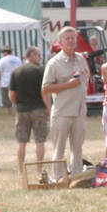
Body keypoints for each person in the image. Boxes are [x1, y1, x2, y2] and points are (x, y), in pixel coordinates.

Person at [41, 27, 88, 179]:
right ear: (60, 42)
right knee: (59, 148)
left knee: (77, 148)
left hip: (79, 111)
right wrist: (67, 85)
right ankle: (59, 178)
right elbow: (46, 88)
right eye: (67, 38)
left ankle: (76, 177)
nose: (70, 41)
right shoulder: (54, 63)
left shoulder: (81, 59)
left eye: (72, 38)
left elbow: (85, 79)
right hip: (62, 111)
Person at [9, 46, 48, 182]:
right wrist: (48, 108)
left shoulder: (16, 72)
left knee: (21, 141)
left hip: (21, 110)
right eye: (38, 55)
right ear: (31, 55)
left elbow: (12, 94)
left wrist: (18, 104)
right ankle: (39, 169)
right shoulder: (40, 71)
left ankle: (21, 171)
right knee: (40, 141)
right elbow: (45, 92)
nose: (39, 58)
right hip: (38, 109)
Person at [0, 47, 22, 114]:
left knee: (6, 98)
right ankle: (18, 110)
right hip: (17, 81)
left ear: (5, 52)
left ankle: (10, 112)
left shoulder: (2, 60)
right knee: (17, 97)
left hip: (6, 82)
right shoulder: (17, 59)